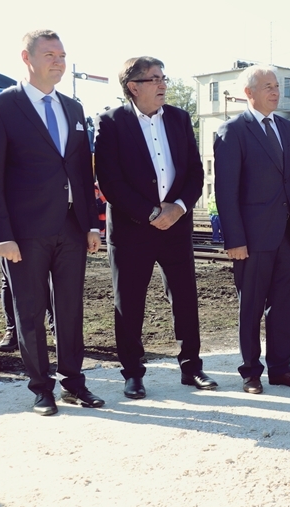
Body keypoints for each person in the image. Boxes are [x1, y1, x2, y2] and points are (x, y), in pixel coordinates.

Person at [0, 30, 103, 415]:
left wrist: (92, 224)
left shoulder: (73, 109)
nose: (59, 61)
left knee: (70, 310)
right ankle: (41, 389)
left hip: (71, 227)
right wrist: (1, 235)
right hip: (24, 232)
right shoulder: (1, 106)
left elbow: (81, 171)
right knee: (30, 312)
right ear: (26, 58)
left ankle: (74, 384)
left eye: (62, 55)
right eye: (50, 54)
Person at [94, 56, 216, 399]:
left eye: (164, 78)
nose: (163, 84)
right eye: (155, 79)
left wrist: (178, 208)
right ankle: (133, 373)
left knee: (185, 299)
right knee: (129, 303)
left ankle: (192, 368)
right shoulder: (111, 122)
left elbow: (195, 172)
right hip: (132, 229)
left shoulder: (179, 118)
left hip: (176, 225)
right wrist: (150, 213)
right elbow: (110, 181)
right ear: (134, 87)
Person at [214, 65, 290, 394]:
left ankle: (281, 369)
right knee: (251, 307)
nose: (275, 91)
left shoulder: (288, 128)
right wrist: (235, 239)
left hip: (287, 235)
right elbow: (226, 191)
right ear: (249, 93)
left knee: (284, 306)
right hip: (252, 239)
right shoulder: (233, 131)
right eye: (268, 86)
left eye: (277, 86)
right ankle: (250, 372)